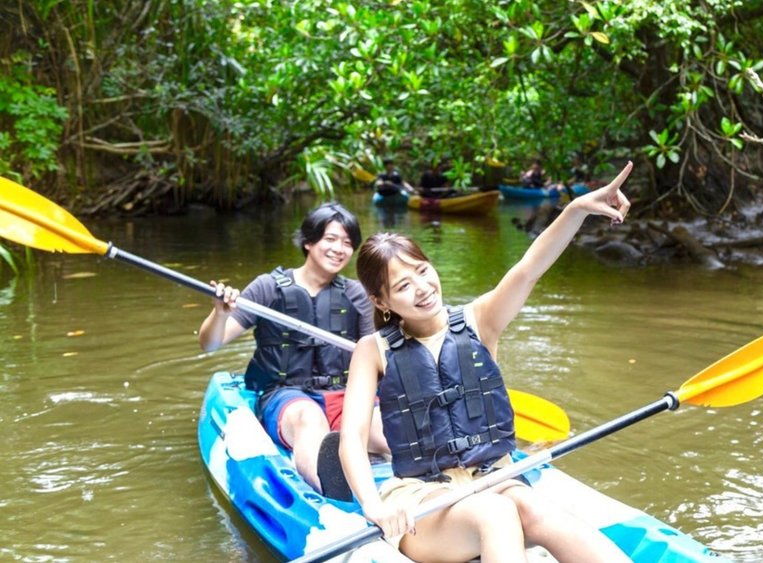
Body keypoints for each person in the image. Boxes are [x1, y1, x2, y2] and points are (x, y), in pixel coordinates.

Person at [339, 163, 635, 562]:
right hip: (424, 500)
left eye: (423, 272)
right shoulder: (372, 350)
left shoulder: (481, 320)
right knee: (496, 513)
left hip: (495, 477)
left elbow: (528, 270)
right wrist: (373, 505)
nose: (423, 288)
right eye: (404, 286)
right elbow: (352, 437)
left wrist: (576, 209)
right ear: (381, 301)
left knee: (538, 511)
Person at [198, 203, 389, 495]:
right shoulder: (267, 287)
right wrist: (220, 313)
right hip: (287, 396)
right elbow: (210, 343)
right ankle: (331, 488)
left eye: (348, 243)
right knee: (309, 419)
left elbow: (376, 356)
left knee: (381, 425)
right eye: (331, 239)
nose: (339, 249)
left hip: (345, 394)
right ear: (308, 242)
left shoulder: (356, 294)